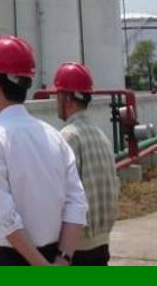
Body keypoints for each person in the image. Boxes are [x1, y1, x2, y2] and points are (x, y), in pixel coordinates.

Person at [0, 36, 88, 266]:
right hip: (56, 257)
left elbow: (5, 216)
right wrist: (62, 260)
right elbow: (77, 204)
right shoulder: (55, 136)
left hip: (14, 260)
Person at [53, 62, 119, 266]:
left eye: (58, 96)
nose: (55, 102)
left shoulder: (68, 137)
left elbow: (60, 196)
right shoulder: (101, 135)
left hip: (76, 248)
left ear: (67, 99)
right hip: (102, 244)